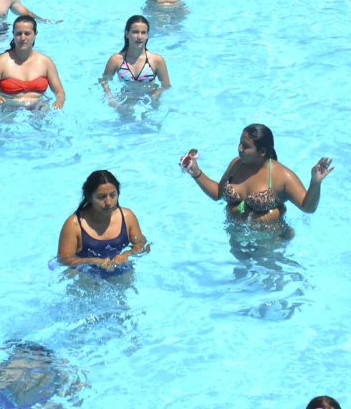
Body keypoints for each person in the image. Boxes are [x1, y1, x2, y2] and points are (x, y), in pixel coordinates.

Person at [179, 123, 330, 223]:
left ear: (262, 151)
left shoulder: (282, 177)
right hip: (236, 237)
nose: (239, 149)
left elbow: (308, 208)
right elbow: (218, 194)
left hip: (270, 243)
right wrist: (196, 173)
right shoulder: (236, 165)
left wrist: (315, 183)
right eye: (240, 143)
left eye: (245, 146)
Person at [56, 170, 149, 273]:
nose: (108, 202)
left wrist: (126, 254)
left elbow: (143, 245)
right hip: (87, 275)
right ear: (89, 197)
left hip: (121, 271)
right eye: (101, 197)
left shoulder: (127, 217)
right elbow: (63, 260)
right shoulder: (74, 225)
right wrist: (94, 261)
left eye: (113, 195)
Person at [0, 16, 65, 108]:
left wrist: (59, 101)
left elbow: (59, 92)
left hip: (38, 107)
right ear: (13, 34)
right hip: (9, 108)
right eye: (18, 33)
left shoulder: (45, 62)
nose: (22, 38)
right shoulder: (1, 62)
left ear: (35, 34)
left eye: (27, 33)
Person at [100, 14, 169, 100]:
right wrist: (111, 99)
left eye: (143, 32)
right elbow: (104, 81)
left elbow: (166, 85)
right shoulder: (116, 60)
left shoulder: (157, 60)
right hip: (126, 99)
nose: (139, 37)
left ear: (147, 35)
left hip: (149, 100)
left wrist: (157, 94)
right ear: (127, 34)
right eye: (135, 32)